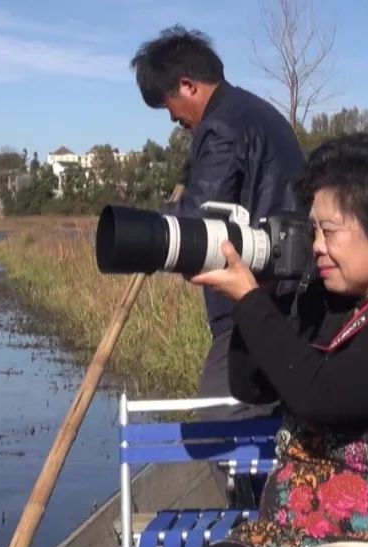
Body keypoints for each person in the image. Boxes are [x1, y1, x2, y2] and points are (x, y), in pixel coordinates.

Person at [131, 133, 368, 547]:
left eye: (329, 231)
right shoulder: (326, 303)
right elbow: (250, 385)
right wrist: (266, 294)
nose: (316, 246)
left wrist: (249, 302)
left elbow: (320, 395)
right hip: (288, 532)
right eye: (313, 230)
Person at [130, 25, 306, 401]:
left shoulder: (222, 126)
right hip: (285, 290)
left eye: (168, 105)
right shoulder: (250, 111)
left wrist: (153, 232)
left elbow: (197, 223)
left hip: (260, 292)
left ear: (188, 85)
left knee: (224, 413)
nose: (173, 118)